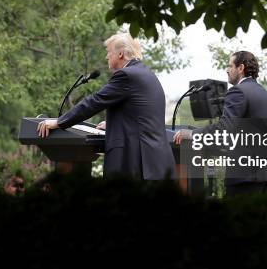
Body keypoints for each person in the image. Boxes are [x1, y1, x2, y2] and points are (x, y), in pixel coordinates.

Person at [37, 33, 176, 180]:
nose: (106, 56)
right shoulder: (145, 73)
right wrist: (114, 123)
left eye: (109, 52)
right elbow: (142, 116)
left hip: (136, 164)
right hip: (154, 163)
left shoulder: (126, 75)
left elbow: (95, 101)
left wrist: (58, 122)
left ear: (120, 54)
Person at [174, 51, 267, 196]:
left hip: (246, 179)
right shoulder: (266, 95)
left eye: (230, 65)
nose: (226, 70)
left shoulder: (238, 91)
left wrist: (191, 134)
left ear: (240, 68)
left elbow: (224, 129)